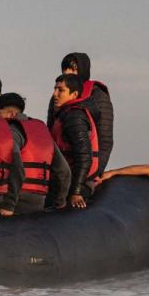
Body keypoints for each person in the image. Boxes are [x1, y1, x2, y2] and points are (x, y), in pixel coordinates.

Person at [0, 93, 70, 213]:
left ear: (11, 114)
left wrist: (8, 205)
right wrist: (60, 203)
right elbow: (64, 172)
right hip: (38, 201)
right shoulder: (43, 131)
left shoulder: (11, 132)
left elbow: (17, 169)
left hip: (15, 201)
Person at [48, 53, 115, 174]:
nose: (68, 73)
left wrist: (96, 172)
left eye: (73, 70)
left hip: (85, 167)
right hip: (60, 168)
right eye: (65, 70)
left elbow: (105, 139)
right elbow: (50, 129)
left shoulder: (98, 96)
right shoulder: (57, 97)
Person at [50, 74, 99, 209]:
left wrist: (76, 192)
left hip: (75, 182)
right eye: (55, 89)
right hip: (67, 178)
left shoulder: (74, 117)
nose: (55, 94)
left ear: (74, 94)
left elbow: (84, 156)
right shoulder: (66, 114)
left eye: (60, 90)